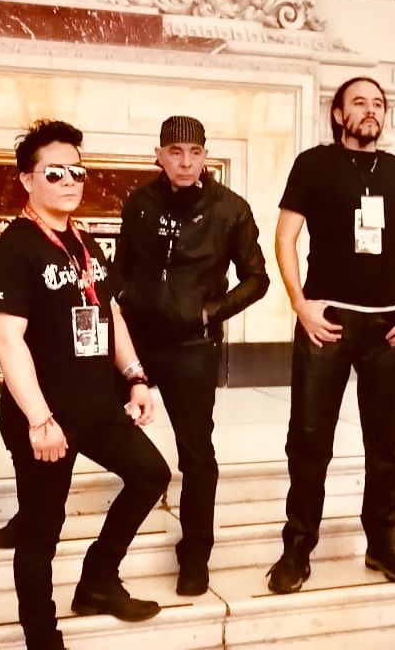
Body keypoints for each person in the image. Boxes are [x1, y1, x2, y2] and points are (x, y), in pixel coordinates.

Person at [0, 119, 173, 650]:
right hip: (46, 415)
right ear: (27, 180)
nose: (69, 180)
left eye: (77, 172)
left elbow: (110, 314)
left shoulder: (84, 243)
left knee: (151, 474)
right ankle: (41, 636)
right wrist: (39, 420)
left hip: (97, 405)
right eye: (54, 172)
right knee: (42, 529)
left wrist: (135, 377)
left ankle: (97, 581)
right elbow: (8, 341)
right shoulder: (13, 249)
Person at [268, 76, 395, 594]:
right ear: (339, 114)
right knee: (309, 439)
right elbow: (285, 238)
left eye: (378, 104)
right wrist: (300, 303)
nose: (371, 111)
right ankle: (297, 549)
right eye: (359, 102)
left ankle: (383, 544)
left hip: (388, 326)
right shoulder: (313, 165)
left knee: (385, 444)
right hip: (328, 322)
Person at [115, 115, 269, 595]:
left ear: (205, 156)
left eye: (195, 152)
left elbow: (257, 278)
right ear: (159, 155)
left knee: (197, 453)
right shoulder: (139, 203)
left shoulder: (230, 209)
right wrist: (122, 303)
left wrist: (209, 313)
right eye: (176, 152)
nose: (185, 162)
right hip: (137, 342)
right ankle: (37, 517)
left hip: (192, 347)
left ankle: (196, 554)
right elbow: (122, 267)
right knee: (86, 421)